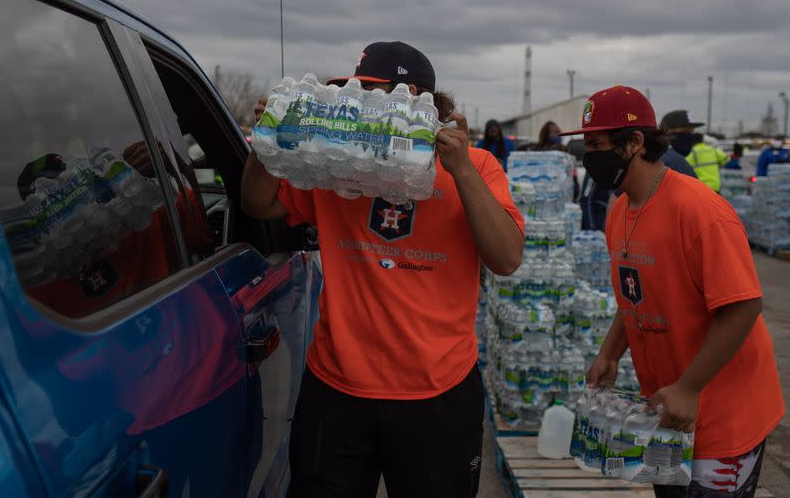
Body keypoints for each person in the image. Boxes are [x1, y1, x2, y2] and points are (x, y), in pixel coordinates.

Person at [241, 41, 525, 498]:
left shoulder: (478, 166)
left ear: (412, 98)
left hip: (437, 392)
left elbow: (507, 258)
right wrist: (267, 139)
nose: (356, 107)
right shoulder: (337, 173)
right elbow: (258, 203)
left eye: (368, 95)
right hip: (337, 387)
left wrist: (461, 172)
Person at [561, 85, 784, 498]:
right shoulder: (619, 210)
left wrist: (689, 387)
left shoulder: (698, 210)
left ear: (634, 143)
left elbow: (744, 306)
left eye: (597, 145)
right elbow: (636, 297)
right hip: (668, 413)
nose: (589, 157)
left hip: (719, 410)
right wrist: (610, 353)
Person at [661, 110, 728, 191]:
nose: (690, 135)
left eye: (692, 131)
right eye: (686, 131)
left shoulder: (660, 156)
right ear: (667, 131)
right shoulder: (675, 162)